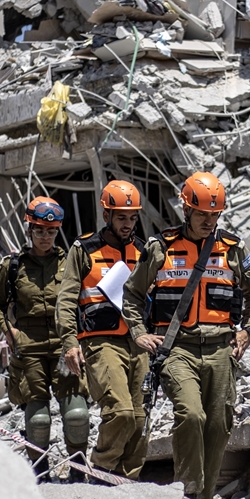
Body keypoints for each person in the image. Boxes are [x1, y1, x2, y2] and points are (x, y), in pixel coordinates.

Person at [122, 172, 250, 499]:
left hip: (220, 349)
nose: (208, 221)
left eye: (214, 215)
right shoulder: (161, 248)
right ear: (186, 211)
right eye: (202, 214)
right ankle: (187, 492)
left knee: (218, 423)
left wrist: (247, 330)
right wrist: (139, 333)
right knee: (191, 415)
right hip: (177, 349)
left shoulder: (233, 248)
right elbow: (132, 295)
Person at [0, 196, 89, 481]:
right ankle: (41, 473)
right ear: (29, 230)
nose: (45, 237)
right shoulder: (13, 266)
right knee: (39, 419)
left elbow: (84, 300)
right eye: (39, 230)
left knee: (77, 415)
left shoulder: (71, 262)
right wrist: (9, 332)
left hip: (63, 346)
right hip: (28, 349)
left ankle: (78, 473)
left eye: (52, 231)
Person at [56, 180, 148, 479]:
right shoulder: (84, 250)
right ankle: (101, 469)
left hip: (138, 343)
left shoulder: (143, 252)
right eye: (121, 217)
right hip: (100, 342)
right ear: (106, 214)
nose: (128, 224)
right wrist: (70, 343)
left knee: (137, 420)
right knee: (119, 412)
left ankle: (125, 484)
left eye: (132, 217)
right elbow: (67, 299)